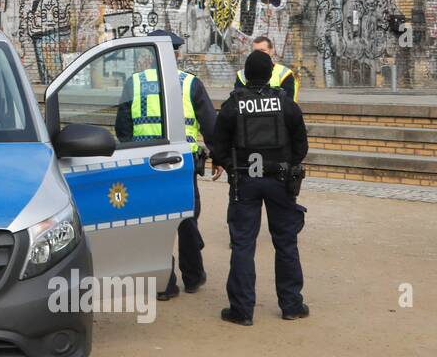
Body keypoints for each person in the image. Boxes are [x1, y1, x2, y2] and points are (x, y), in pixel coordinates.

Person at [209, 50, 310, 326]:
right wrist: (287, 164)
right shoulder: (286, 104)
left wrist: (232, 167)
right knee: (286, 243)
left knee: (243, 244)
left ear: (246, 74)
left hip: (245, 182)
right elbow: (302, 145)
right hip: (280, 180)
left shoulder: (234, 104)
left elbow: (217, 147)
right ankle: (291, 305)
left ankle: (242, 310)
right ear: (270, 74)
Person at [114, 29, 216, 301]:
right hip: (182, 165)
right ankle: (193, 278)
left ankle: (165, 285)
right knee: (187, 220)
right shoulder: (190, 83)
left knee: (153, 224)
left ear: (150, 55)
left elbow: (122, 128)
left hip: (144, 165)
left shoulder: (133, 83)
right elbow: (211, 126)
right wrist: (219, 157)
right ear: (177, 54)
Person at [236, 35, 298, 101]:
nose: (259, 54)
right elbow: (238, 101)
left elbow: (288, 102)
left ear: (272, 51)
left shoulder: (284, 74)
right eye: (255, 51)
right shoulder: (241, 75)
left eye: (262, 50)